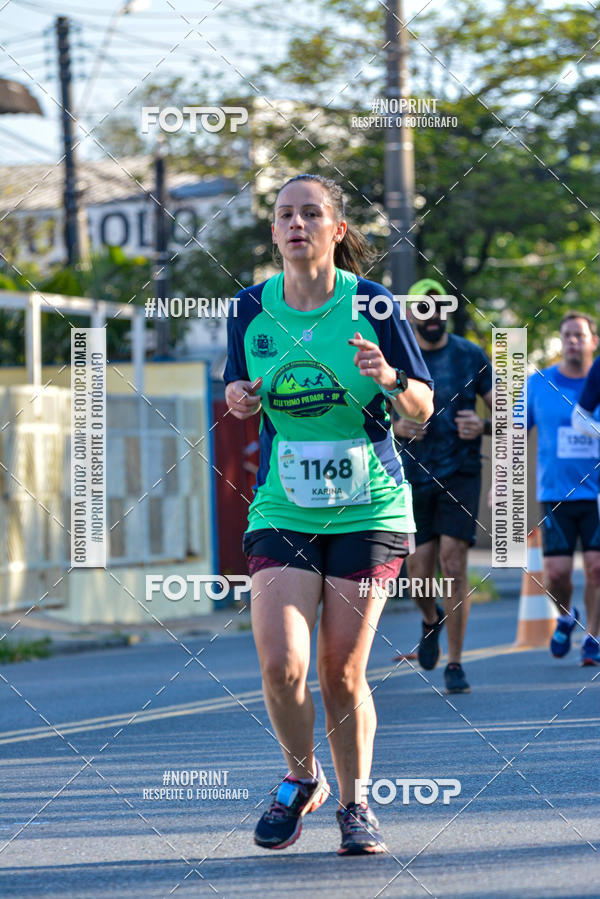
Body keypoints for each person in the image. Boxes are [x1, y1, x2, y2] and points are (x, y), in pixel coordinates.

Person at [224, 174, 433, 855]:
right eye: (285, 214)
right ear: (275, 229)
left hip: (369, 503)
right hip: (285, 502)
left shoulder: (371, 304)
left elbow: (422, 408)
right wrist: (239, 397)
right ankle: (301, 775)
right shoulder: (250, 307)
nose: (297, 224)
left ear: (336, 230)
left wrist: (393, 380)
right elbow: (240, 391)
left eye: (312, 213)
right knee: (281, 664)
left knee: (341, 668)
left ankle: (355, 802)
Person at [393, 278, 493, 694]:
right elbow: (369, 416)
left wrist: (484, 425)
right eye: (423, 309)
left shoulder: (470, 355)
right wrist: (396, 426)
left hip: (461, 472)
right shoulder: (397, 358)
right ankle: (430, 619)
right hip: (412, 477)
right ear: (411, 314)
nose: (431, 316)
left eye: (438, 308)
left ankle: (455, 663)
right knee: (419, 574)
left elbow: (511, 413)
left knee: (453, 563)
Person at [528, 313, 600, 665]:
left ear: (593, 341)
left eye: (580, 335)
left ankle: (594, 638)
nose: (573, 341)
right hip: (556, 494)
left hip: (597, 495)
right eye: (567, 335)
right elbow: (513, 433)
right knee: (556, 573)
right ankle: (566, 615)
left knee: (596, 567)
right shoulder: (539, 383)